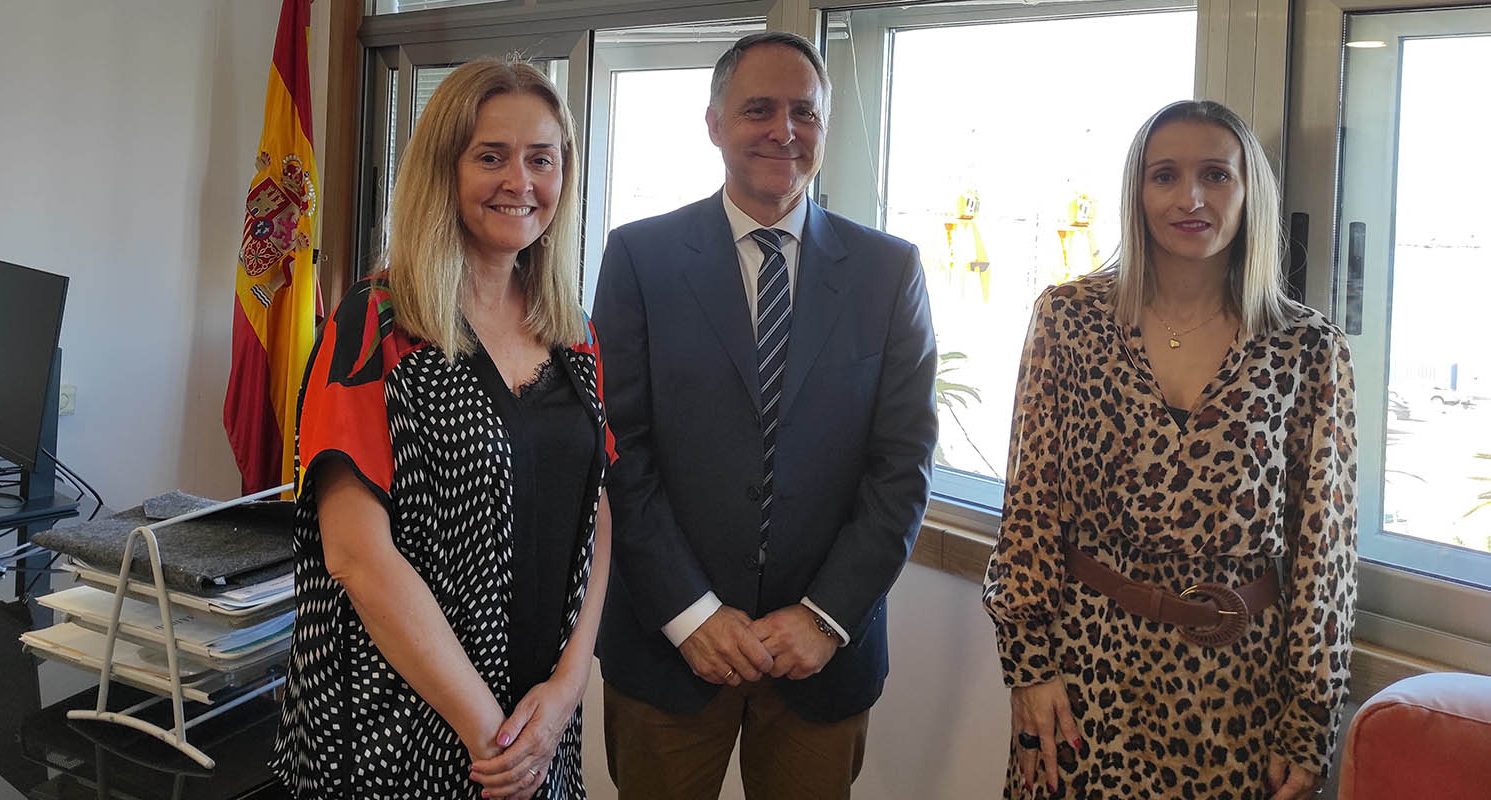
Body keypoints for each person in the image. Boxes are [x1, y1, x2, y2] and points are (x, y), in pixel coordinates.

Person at [591, 31, 938, 800]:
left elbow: (902, 465)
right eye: (759, 110)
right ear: (714, 124)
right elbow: (620, 451)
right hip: (668, 651)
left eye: (804, 112)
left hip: (821, 660)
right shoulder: (640, 258)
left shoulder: (889, 272)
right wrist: (690, 613)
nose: (785, 131)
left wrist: (825, 618)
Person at [982, 99, 1357, 800]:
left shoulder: (1308, 349)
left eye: (1216, 174)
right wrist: (1028, 667)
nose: (1190, 198)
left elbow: (1324, 554)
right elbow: (1029, 506)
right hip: (1086, 665)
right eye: (1165, 176)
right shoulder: (1069, 318)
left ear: (1249, 192)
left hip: (1238, 686)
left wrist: (1311, 716)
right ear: (1137, 191)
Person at [271, 58, 616, 800]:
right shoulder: (375, 325)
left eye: (541, 159)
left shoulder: (573, 330)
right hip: (402, 728)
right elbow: (356, 556)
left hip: (538, 723)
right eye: (490, 156)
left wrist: (567, 687)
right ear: (443, 169)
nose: (520, 181)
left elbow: (596, 506)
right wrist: (491, 736)